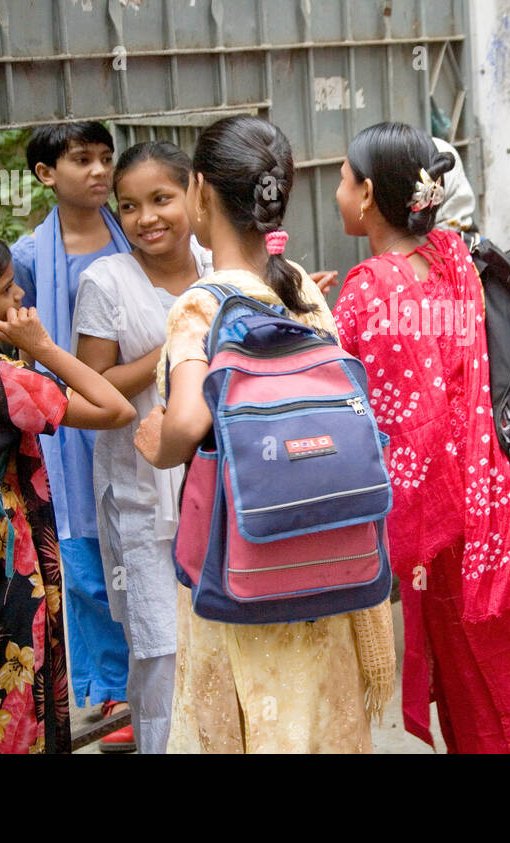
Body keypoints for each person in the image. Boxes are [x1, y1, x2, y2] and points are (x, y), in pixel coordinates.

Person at [135, 115, 395, 753]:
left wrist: (156, 442)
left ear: (200, 192)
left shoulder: (201, 303)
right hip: (322, 554)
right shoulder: (301, 286)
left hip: (243, 563)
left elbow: (190, 422)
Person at [331, 122, 510, 754]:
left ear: (370, 193)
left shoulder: (367, 287)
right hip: (489, 497)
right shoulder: (455, 257)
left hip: (435, 515)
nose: (338, 189)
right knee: (488, 669)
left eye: (345, 178)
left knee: (472, 681)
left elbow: (353, 400)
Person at [0, 228, 135, 753]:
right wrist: (44, 347)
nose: (21, 298)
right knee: (17, 702)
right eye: (8, 289)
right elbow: (113, 408)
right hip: (7, 566)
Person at [73, 141, 212, 754]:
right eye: (129, 206)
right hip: (139, 496)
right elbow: (91, 392)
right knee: (161, 652)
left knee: (218, 640)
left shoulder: (218, 266)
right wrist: (177, 346)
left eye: (161, 198)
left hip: (216, 487)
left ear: (195, 194)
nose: (146, 217)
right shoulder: (105, 281)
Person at [11, 121, 135, 746]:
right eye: (81, 159)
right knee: (83, 553)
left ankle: (153, 671)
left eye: (105, 158)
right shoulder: (29, 258)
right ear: (44, 174)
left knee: (145, 538)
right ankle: (113, 688)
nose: (98, 171)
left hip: (134, 401)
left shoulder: (134, 236)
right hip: (68, 419)